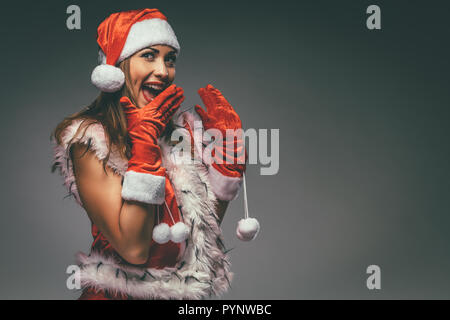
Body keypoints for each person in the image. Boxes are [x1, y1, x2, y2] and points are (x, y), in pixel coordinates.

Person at [51, 8, 260, 300]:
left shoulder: (179, 134)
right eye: (149, 55)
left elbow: (197, 238)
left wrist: (225, 171)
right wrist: (144, 148)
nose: (163, 71)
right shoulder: (91, 140)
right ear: (116, 66)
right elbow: (134, 250)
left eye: (169, 59)